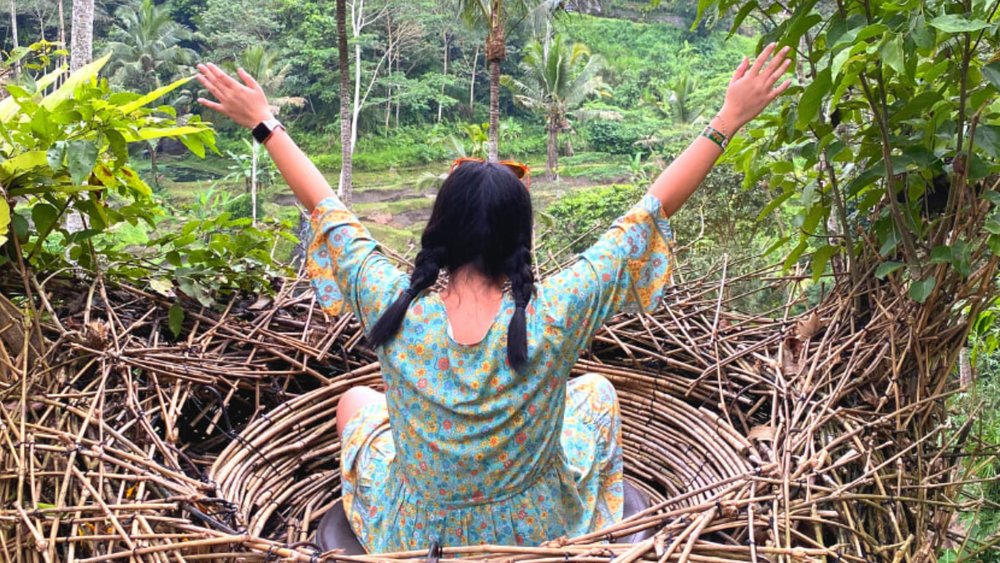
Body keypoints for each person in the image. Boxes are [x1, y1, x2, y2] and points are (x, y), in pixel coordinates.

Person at [195, 42, 792, 553]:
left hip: (417, 536)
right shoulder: (557, 310)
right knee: (599, 394)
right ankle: (589, 521)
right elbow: (646, 216)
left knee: (354, 402)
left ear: (439, 228)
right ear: (519, 237)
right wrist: (727, 119)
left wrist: (263, 121)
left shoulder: (391, 302)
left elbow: (327, 208)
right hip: (536, 531)